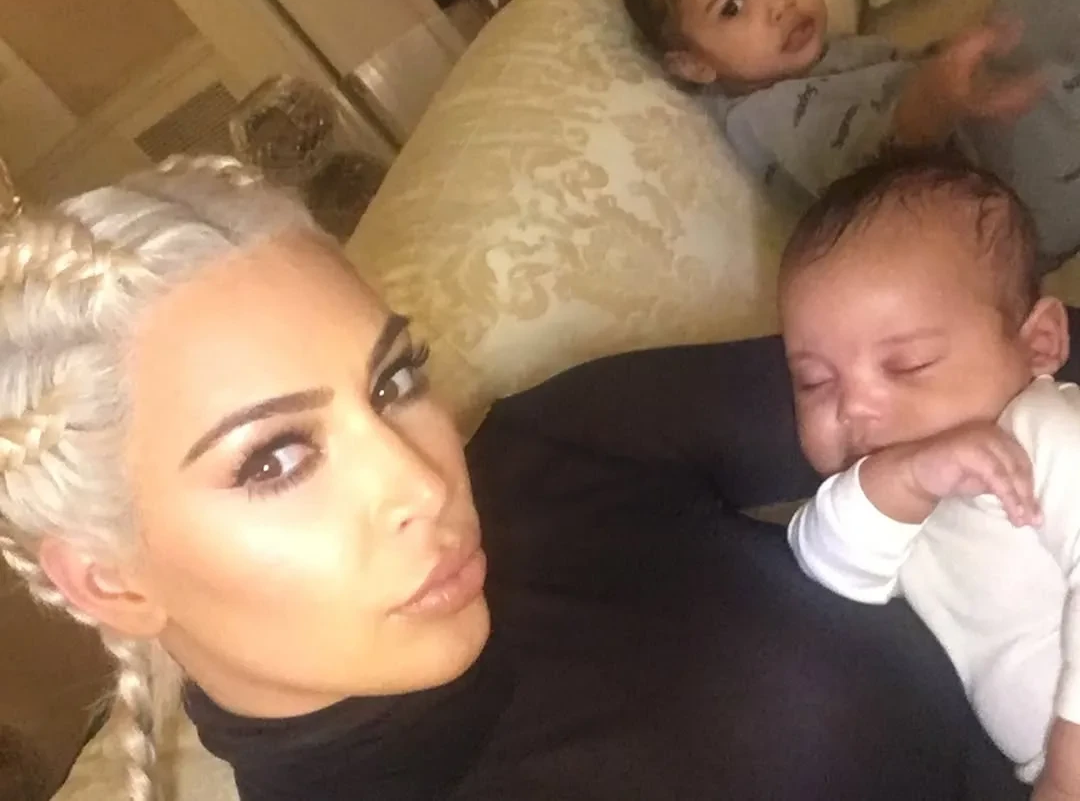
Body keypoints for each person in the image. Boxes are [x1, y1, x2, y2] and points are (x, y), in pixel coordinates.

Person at [0, 155, 1034, 801]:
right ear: (110, 580)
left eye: (393, 381)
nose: (422, 482)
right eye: (275, 458)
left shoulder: (559, 450)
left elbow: (996, 367)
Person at [781, 150, 1080, 798]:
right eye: (814, 381)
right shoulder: (896, 498)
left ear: (1038, 344)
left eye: (908, 365)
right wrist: (906, 480)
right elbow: (824, 565)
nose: (853, 408)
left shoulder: (1041, 432)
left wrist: (1068, 766)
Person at [611, 0, 1080, 268]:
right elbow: (877, 153)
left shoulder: (813, 59)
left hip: (976, 98)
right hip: (998, 191)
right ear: (693, 66)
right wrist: (935, 93)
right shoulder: (763, 119)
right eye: (733, 7)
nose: (779, 2)